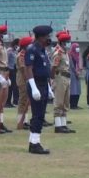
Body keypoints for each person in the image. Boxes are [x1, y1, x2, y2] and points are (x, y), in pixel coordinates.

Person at [25, 25, 54, 154]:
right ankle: (35, 144)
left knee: (40, 114)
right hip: (35, 84)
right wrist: (34, 88)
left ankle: (33, 141)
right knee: (37, 114)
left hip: (43, 83)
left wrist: (48, 87)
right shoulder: (32, 49)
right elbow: (28, 69)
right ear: (41, 37)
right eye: (47, 36)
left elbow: (45, 71)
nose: (49, 38)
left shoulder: (42, 50)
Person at [51, 31, 75, 134]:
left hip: (66, 78)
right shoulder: (59, 53)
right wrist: (53, 79)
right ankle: (58, 125)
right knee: (59, 102)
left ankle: (63, 124)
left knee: (65, 102)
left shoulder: (65, 53)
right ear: (62, 42)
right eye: (67, 41)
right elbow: (53, 67)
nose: (69, 43)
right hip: (60, 78)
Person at [16, 35, 32, 130]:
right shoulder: (21, 55)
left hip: (27, 79)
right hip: (23, 80)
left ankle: (25, 121)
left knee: (26, 101)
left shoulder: (26, 54)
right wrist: (28, 80)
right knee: (22, 101)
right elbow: (23, 69)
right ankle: (20, 121)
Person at [6, 39, 19, 107]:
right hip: (9, 70)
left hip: (14, 69)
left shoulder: (15, 51)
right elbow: (6, 60)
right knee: (10, 86)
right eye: (17, 44)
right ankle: (7, 102)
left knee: (14, 86)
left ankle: (13, 101)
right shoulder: (9, 50)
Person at [69, 43, 82, 109]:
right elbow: (72, 65)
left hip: (77, 73)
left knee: (78, 89)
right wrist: (76, 72)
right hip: (72, 73)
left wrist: (79, 71)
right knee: (73, 90)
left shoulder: (78, 55)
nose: (78, 48)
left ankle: (76, 104)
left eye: (78, 47)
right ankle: (72, 105)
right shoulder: (70, 55)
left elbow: (79, 64)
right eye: (76, 47)